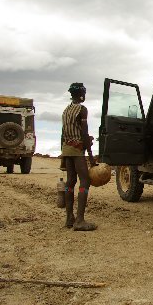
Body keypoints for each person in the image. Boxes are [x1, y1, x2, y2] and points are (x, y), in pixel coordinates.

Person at [61, 82, 97, 231]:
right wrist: (90, 155)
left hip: (67, 148)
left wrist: (62, 154)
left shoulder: (66, 110)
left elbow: (62, 133)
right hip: (77, 150)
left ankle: (69, 218)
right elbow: (84, 133)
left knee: (70, 182)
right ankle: (80, 220)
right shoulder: (82, 110)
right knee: (85, 181)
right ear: (81, 94)